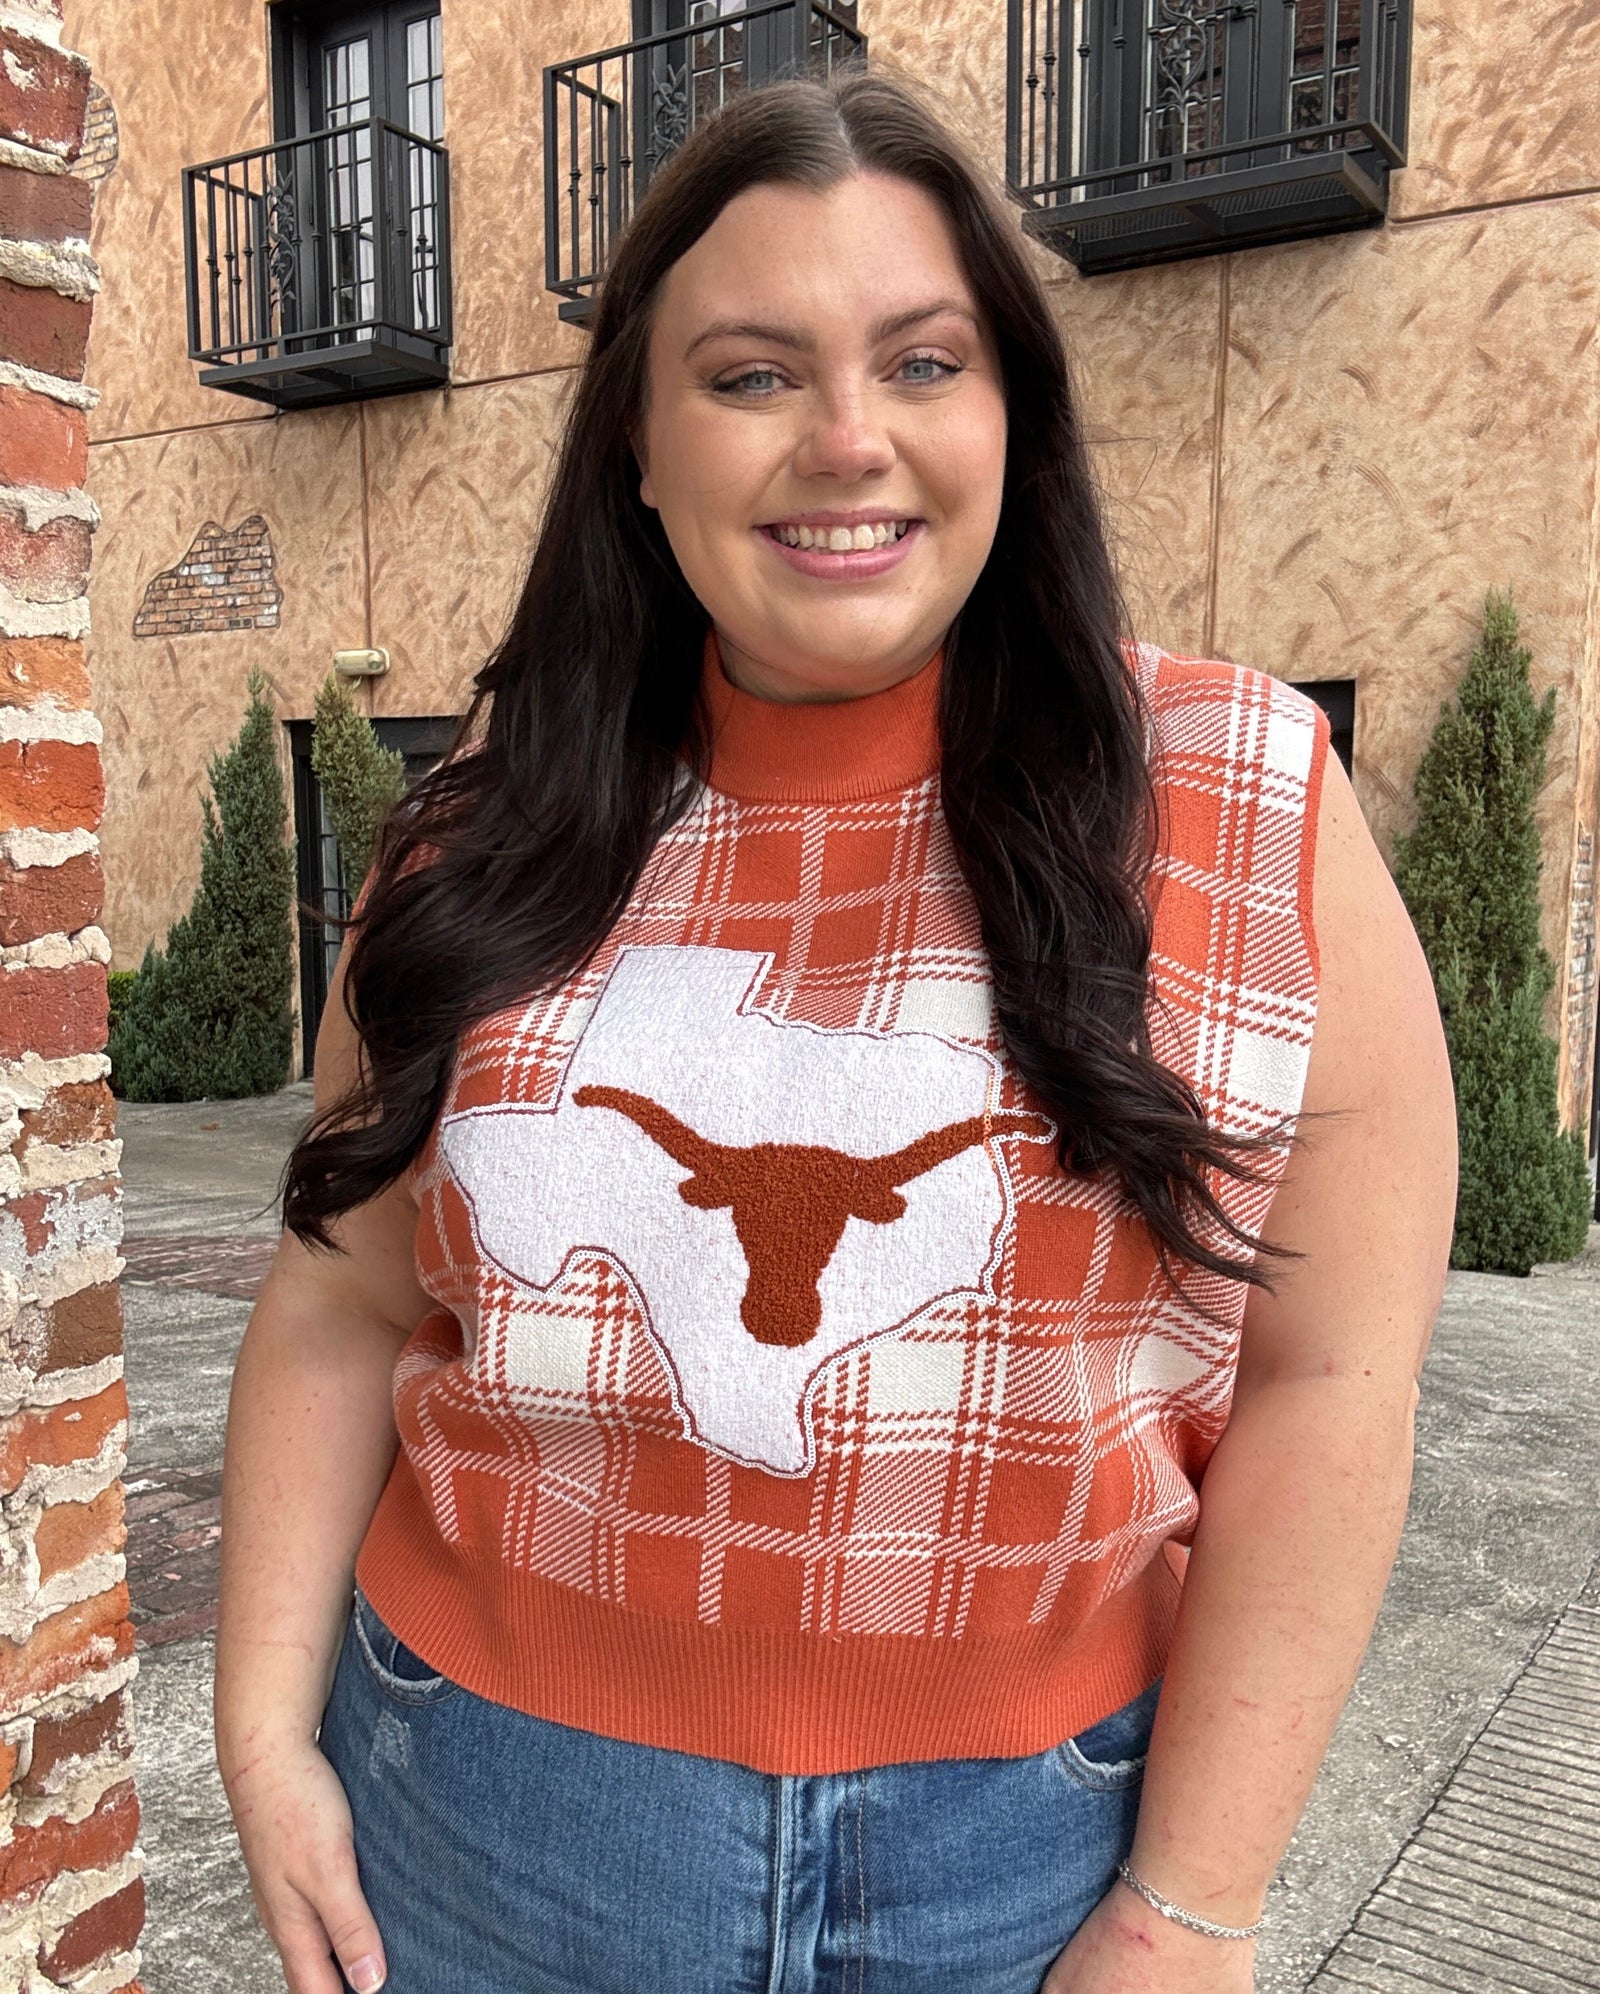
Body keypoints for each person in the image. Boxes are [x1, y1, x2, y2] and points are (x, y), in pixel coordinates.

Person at [214, 69, 1456, 1994]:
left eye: (924, 360)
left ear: (1010, 412)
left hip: (1030, 1860)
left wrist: (1198, 1898)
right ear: (637, 438)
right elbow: (344, 1303)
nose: (848, 440)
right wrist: (262, 1733)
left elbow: (1330, 1381)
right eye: (750, 374)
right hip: (483, 1824)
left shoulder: (1247, 801)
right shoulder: (481, 827)